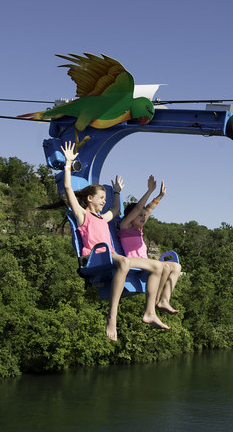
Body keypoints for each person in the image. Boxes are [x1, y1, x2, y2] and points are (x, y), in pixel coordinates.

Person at [60, 141, 169, 341]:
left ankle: (150, 312)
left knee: (157, 267)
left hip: (111, 256)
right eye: (101, 198)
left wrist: (117, 192)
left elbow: (116, 210)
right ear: (90, 198)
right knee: (125, 262)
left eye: (105, 198)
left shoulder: (103, 218)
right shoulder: (83, 216)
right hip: (93, 258)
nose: (104, 201)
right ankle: (112, 317)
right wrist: (68, 163)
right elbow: (68, 187)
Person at [119, 176, 183, 314]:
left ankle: (163, 300)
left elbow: (149, 209)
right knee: (163, 266)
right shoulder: (124, 226)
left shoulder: (138, 229)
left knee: (176, 267)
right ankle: (153, 303)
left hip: (145, 262)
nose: (143, 217)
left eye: (143, 215)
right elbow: (139, 208)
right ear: (130, 216)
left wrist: (159, 196)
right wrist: (149, 191)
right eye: (139, 215)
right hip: (132, 262)